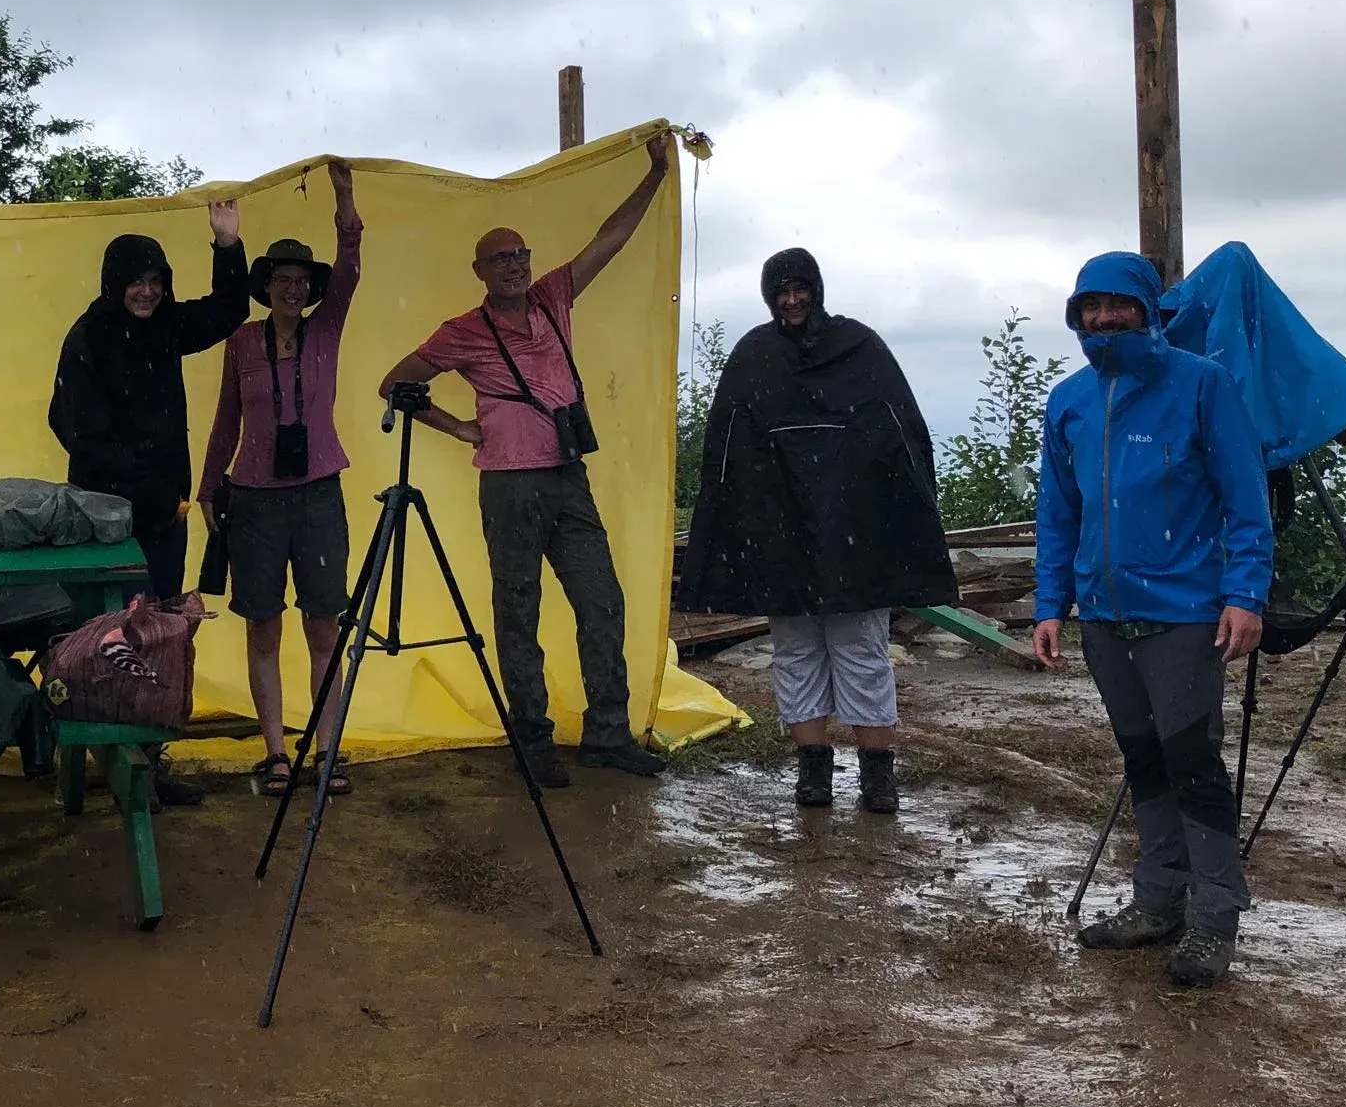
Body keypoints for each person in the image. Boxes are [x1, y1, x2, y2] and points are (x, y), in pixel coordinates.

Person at [379, 129, 677, 787]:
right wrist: (458, 427)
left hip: (568, 475)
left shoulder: (553, 296)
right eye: (500, 258)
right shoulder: (463, 331)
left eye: (520, 254)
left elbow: (609, 239)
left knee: (602, 601)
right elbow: (395, 385)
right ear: (480, 272)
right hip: (509, 486)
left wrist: (656, 174)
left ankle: (608, 734)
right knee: (519, 612)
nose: (514, 265)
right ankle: (533, 740)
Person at [1033, 251, 1272, 990]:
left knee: (1192, 763)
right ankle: (1158, 900)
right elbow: (1058, 515)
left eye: (1119, 305)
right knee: (1142, 760)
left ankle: (1215, 916)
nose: (1104, 318)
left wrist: (1246, 594)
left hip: (1185, 614)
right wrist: (1051, 605)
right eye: (1091, 306)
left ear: (1148, 310)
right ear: (1077, 316)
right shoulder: (1070, 401)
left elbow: (1246, 499)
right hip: (1105, 616)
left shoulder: (1202, 384)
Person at [677, 249, 957, 814]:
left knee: (862, 650)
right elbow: (727, 453)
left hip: (853, 531)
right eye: (781, 291)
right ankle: (813, 771)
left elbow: (902, 437)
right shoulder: (755, 355)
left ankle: (877, 774)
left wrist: (896, 512)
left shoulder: (860, 348)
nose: (792, 300)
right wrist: (739, 521)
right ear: (768, 296)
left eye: (800, 288)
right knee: (796, 651)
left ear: (817, 288)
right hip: (781, 533)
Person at [49, 199, 248, 802]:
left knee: (157, 633)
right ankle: (92, 762)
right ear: (114, 282)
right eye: (136, 280)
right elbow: (80, 434)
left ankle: (146, 769)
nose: (147, 291)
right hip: (108, 520)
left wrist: (227, 245)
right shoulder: (88, 339)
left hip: (164, 517)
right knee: (106, 635)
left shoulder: (165, 327)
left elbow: (229, 311)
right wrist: (148, 493)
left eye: (156, 280)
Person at [198, 159, 362, 798]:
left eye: (301, 280)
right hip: (255, 501)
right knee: (262, 626)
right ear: (265, 285)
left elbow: (350, 266)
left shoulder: (328, 328)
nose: (292, 289)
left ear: (311, 288)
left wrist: (344, 195)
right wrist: (208, 487)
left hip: (319, 493)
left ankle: (327, 751)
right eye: (281, 279)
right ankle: (274, 752)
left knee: (324, 625)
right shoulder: (241, 341)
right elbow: (225, 418)